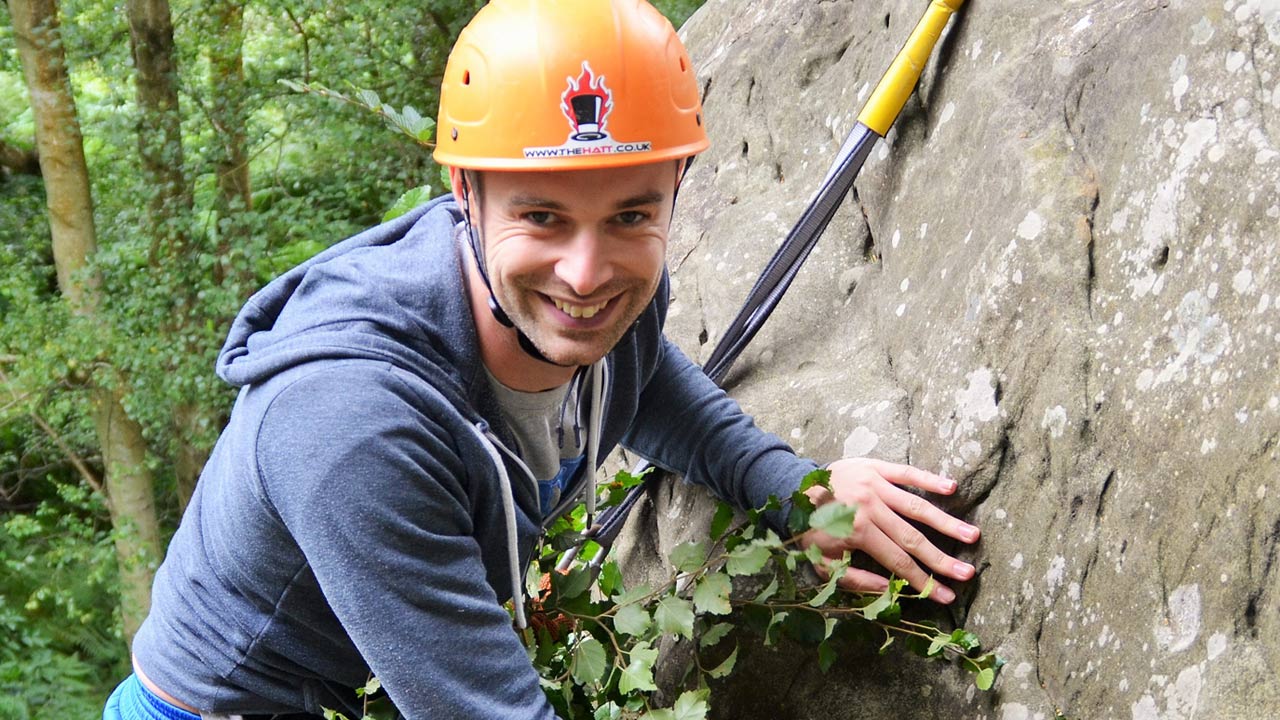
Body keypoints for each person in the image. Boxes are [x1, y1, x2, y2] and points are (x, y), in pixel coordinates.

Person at [107, 1, 981, 718]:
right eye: (544, 219)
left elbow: (642, 381)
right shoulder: (352, 424)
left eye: (632, 217)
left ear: (676, 186)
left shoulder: (602, 306)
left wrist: (798, 492)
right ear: (465, 194)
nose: (589, 275)